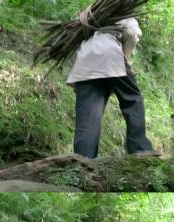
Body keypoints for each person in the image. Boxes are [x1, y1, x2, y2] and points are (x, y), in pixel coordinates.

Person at [66, 16, 155, 159]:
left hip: (84, 61)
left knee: (89, 115)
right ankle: (140, 148)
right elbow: (133, 33)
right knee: (132, 100)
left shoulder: (92, 20)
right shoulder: (124, 15)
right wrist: (125, 57)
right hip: (110, 54)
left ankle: (83, 160)